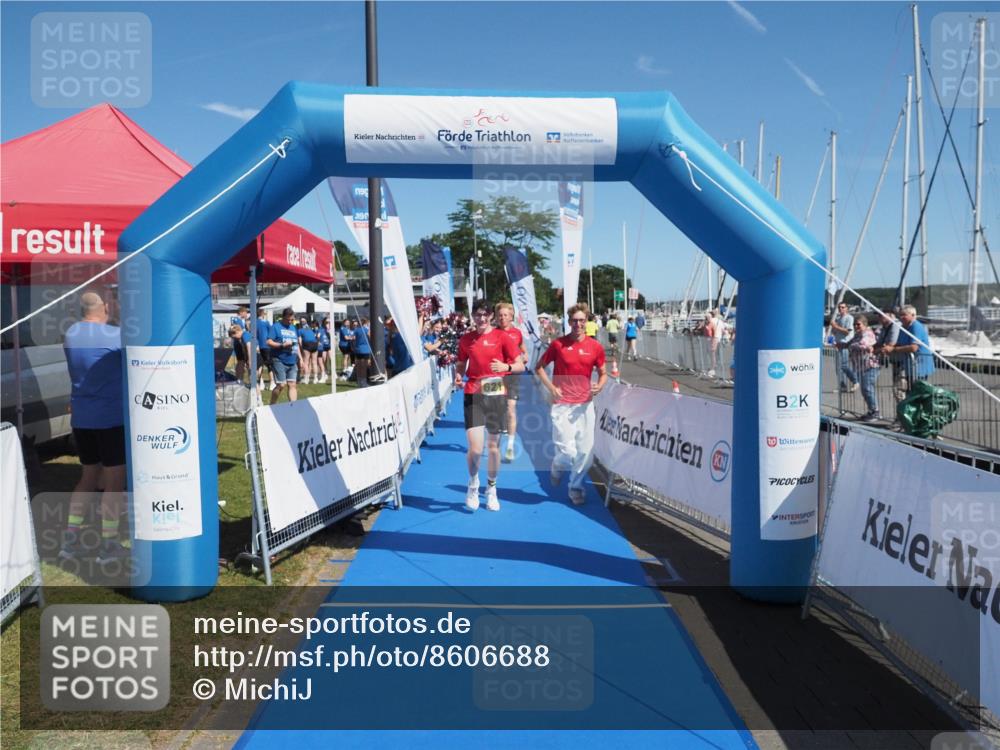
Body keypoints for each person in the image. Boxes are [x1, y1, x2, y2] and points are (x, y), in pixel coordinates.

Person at [60, 292, 128, 564]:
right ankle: (109, 545)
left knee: (87, 478)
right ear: (107, 307)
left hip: (82, 418)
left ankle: (70, 541)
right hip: (110, 419)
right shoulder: (115, 336)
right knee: (114, 484)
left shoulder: (70, 334)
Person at [454, 299, 524, 512]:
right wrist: (458, 375)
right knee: (475, 448)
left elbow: (521, 365)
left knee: (492, 447)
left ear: (490, 317)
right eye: (477, 315)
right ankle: (473, 483)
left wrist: (507, 366)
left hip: (496, 393)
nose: (481, 318)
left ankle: (491, 488)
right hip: (473, 392)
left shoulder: (503, 337)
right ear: (473, 316)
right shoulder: (466, 339)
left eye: (485, 315)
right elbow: (460, 361)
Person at [534, 303, 608, 505]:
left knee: (586, 454)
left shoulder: (595, 347)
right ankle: (557, 465)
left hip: (585, 405)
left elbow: (603, 373)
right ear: (569, 322)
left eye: (581, 320)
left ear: (587, 321)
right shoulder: (558, 345)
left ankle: (575, 488)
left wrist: (599, 386)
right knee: (567, 453)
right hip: (562, 404)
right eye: (574, 320)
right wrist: (551, 388)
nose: (578, 324)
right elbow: (538, 367)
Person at [494, 302, 528, 462]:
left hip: (512, 374)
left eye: (505, 315)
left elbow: (522, 347)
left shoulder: (517, 333)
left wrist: (525, 355)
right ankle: (497, 442)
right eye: (500, 315)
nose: (502, 317)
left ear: (511, 316)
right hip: (494, 376)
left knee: (510, 408)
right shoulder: (492, 333)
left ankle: (509, 446)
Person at [883, 304, 935, 397]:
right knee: (910, 390)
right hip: (909, 365)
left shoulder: (916, 326)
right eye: (900, 315)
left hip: (919, 364)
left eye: (904, 315)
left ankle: (918, 409)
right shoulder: (903, 327)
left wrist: (894, 349)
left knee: (918, 391)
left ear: (913, 315)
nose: (901, 317)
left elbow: (914, 347)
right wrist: (888, 347)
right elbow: (899, 342)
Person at [848, 315, 881, 421]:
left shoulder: (868, 333)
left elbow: (863, 344)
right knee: (864, 389)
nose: (856, 326)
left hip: (871, 365)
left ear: (865, 324)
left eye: (858, 324)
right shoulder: (858, 334)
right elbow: (850, 343)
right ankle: (871, 411)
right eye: (855, 324)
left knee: (867, 388)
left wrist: (853, 345)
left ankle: (875, 412)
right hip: (861, 366)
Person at [267, 307, 300, 404]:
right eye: (288, 319)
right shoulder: (276, 327)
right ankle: (272, 404)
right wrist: (282, 345)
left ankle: (293, 407)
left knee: (292, 384)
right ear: (283, 317)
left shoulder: (293, 328)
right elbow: (268, 341)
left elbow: (297, 344)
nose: (290, 321)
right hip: (279, 359)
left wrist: (300, 359)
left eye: (292, 319)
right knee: (281, 384)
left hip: (292, 360)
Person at [830, 302, 857, 392]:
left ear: (846, 308)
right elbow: (836, 332)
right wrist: (832, 329)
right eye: (839, 307)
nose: (841, 309)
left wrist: (836, 326)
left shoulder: (849, 318)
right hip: (838, 344)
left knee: (844, 365)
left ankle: (855, 381)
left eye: (843, 307)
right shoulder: (838, 318)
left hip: (845, 345)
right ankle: (842, 386)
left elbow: (847, 331)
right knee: (838, 367)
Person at [230, 305, 251, 382]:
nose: (247, 314)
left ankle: (241, 377)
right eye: (246, 312)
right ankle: (239, 378)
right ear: (241, 312)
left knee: (243, 361)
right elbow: (235, 331)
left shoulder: (244, 321)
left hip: (244, 342)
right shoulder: (236, 320)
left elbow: (248, 330)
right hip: (239, 344)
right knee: (241, 361)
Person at [254, 306, 273, 393]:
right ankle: (272, 383)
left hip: (258, 346)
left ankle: (260, 382)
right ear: (262, 314)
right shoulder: (266, 322)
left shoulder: (254, 323)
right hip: (266, 346)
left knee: (259, 365)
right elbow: (271, 333)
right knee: (269, 365)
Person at [298, 317, 319, 384]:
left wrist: (301, 349)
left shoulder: (300, 330)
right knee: (314, 362)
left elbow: (300, 341)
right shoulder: (310, 329)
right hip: (314, 344)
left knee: (306, 362)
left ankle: (306, 378)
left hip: (307, 344)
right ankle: (315, 378)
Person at [353, 317, 373, 386]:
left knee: (359, 365)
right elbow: (371, 337)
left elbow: (354, 339)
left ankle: (359, 380)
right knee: (364, 366)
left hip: (358, 349)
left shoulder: (356, 330)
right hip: (365, 350)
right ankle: (363, 381)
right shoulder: (367, 330)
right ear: (365, 322)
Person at [316, 319, 330, 384]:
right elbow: (318, 336)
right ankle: (323, 375)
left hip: (320, 348)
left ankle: (323, 376)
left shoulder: (321, 330)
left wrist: (318, 341)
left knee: (320, 362)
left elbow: (318, 336)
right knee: (321, 362)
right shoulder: (322, 329)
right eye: (327, 322)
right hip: (321, 347)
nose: (328, 324)